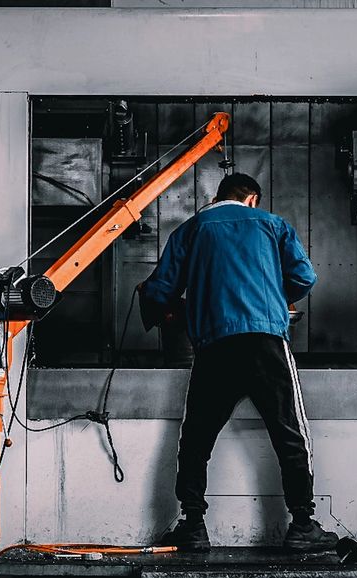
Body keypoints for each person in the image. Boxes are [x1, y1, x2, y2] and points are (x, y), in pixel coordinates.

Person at [138, 173, 338, 553]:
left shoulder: (191, 229)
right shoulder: (272, 224)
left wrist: (161, 305)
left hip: (214, 345)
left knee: (196, 437)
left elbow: (161, 289)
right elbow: (305, 277)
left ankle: (193, 524)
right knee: (289, 432)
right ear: (251, 199)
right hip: (265, 342)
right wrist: (276, 299)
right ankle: (302, 524)